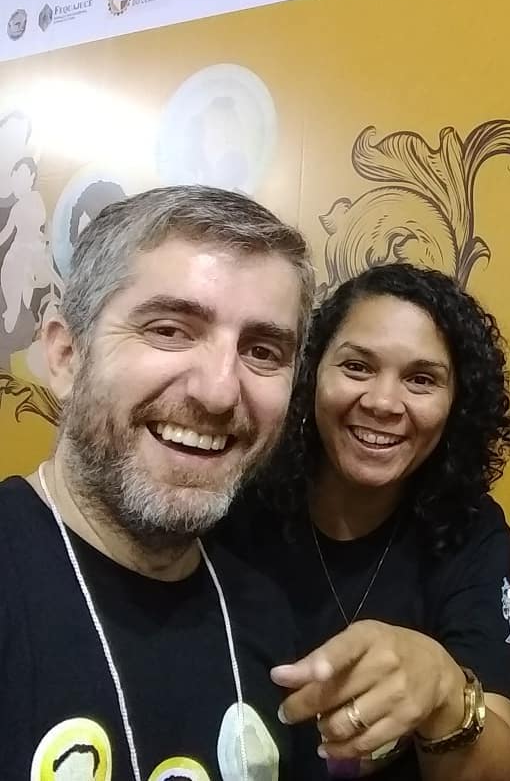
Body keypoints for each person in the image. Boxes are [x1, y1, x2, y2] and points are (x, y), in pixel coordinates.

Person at [0, 184, 316, 780]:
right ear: (67, 356)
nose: (219, 392)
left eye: (262, 351)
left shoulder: (268, 617)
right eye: (170, 330)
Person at [235, 263, 510, 780]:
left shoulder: (470, 530)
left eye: (421, 379)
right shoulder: (234, 499)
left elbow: (497, 768)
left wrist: (442, 693)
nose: (384, 403)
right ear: (310, 372)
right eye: (357, 367)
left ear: (457, 404)